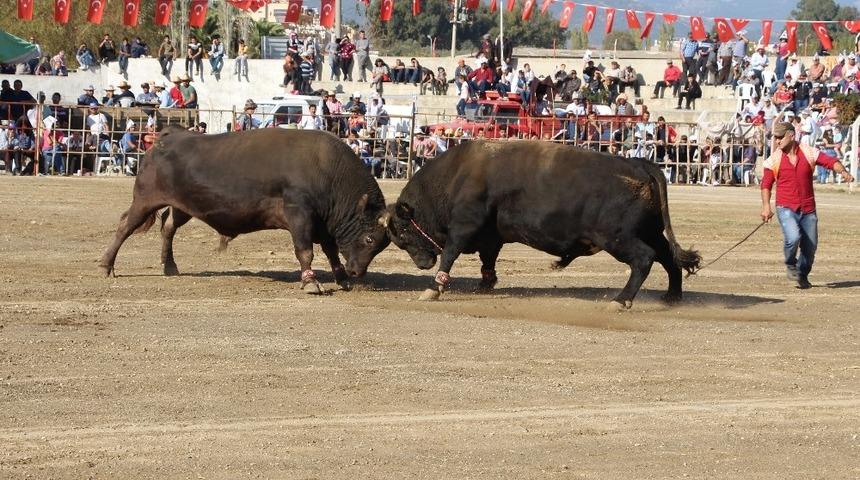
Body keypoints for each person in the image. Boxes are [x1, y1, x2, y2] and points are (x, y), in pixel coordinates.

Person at [760, 122, 854, 289]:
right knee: (793, 237)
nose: (777, 140)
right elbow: (766, 185)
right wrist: (766, 207)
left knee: (810, 248)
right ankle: (790, 263)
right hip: (785, 207)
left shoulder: (809, 152)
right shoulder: (773, 160)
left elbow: (830, 161)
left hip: (808, 209)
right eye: (775, 137)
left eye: (780, 137)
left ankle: (802, 274)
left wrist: (843, 172)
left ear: (791, 135)